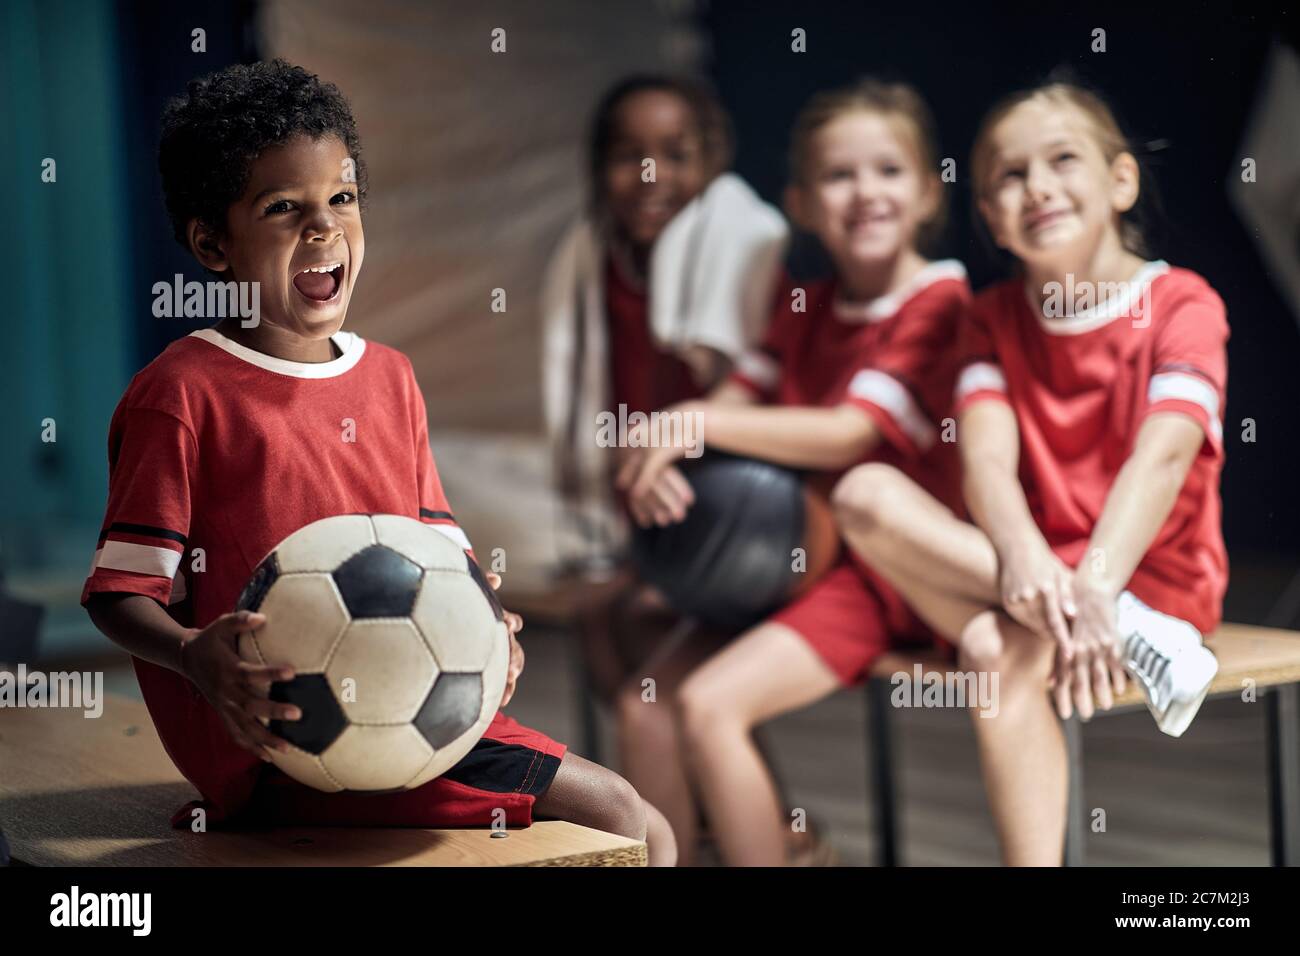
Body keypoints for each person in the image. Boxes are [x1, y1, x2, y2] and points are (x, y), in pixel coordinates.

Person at [81, 59, 675, 865]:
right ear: (212, 243)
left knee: (652, 825)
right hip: (283, 740)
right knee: (621, 815)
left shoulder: (389, 376)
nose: (323, 229)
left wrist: (486, 628)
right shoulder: (181, 394)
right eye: (284, 208)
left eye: (343, 199)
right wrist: (196, 656)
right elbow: (119, 594)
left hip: (409, 704)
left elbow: (437, 543)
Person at [832, 79, 1227, 865]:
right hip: (1030, 574)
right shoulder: (990, 318)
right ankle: (1129, 636)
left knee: (990, 651)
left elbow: (1165, 455)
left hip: (1143, 575)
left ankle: (1129, 619)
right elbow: (985, 459)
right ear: (990, 219)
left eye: (1062, 160)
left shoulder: (1181, 302)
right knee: (862, 494)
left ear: (1121, 181)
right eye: (1009, 176)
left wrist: (1099, 587)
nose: (1037, 186)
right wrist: (1024, 555)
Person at [618, 78, 970, 865]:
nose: (864, 193)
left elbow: (847, 434)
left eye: (887, 170)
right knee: (645, 710)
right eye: (839, 176)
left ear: (926, 191)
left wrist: (696, 421)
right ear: (803, 204)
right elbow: (730, 401)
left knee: (709, 706)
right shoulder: (806, 307)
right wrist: (665, 455)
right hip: (793, 565)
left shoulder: (938, 300)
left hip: (888, 577)